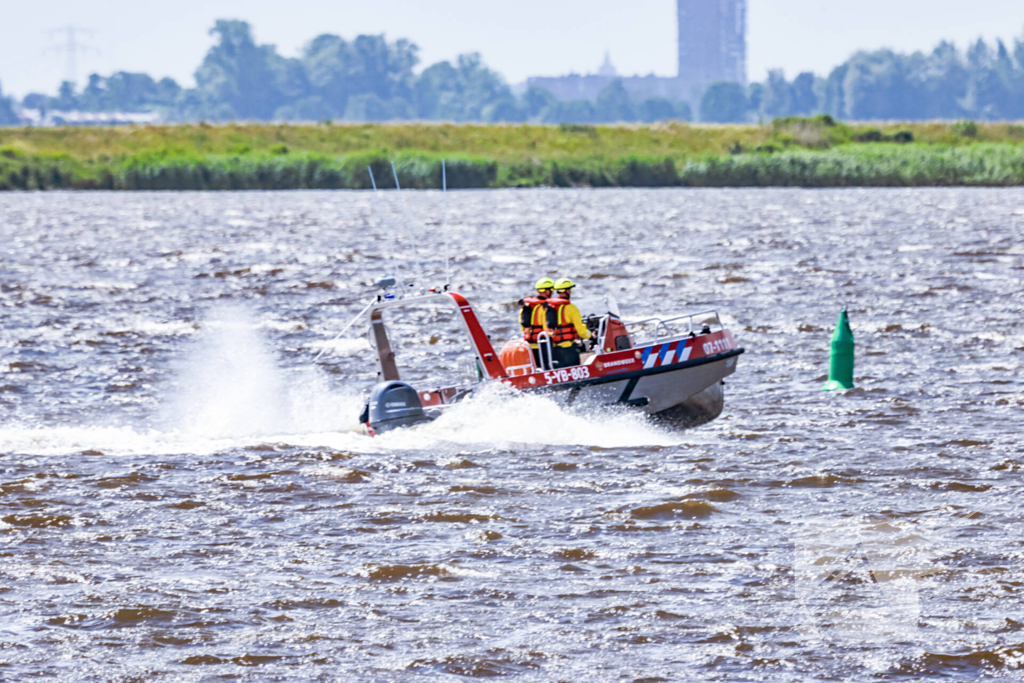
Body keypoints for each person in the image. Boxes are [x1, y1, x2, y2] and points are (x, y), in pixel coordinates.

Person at [546, 278, 591, 368]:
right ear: (566, 291)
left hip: (555, 348)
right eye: (569, 290)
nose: (570, 292)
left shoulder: (550, 307)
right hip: (569, 348)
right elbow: (581, 330)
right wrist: (590, 335)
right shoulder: (571, 308)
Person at [520, 278, 555, 367]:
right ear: (546, 291)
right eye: (551, 290)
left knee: (535, 367)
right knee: (546, 366)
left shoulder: (526, 307)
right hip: (542, 343)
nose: (552, 292)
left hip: (529, 344)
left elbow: (522, 326)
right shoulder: (545, 307)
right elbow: (547, 328)